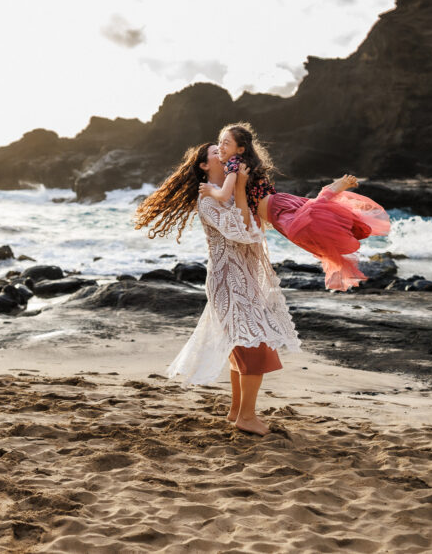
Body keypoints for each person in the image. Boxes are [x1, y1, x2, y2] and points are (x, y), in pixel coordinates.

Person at [134, 143, 300, 436]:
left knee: (242, 345)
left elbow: (258, 230)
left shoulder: (234, 193)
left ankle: (238, 412)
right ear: (203, 166)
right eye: (216, 154)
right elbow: (241, 233)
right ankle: (247, 417)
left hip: (246, 280)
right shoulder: (208, 200)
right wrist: (239, 189)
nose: (225, 156)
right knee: (253, 347)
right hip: (229, 282)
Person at [202, 123, 390, 291]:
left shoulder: (233, 165)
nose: (220, 147)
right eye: (220, 142)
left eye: (226, 143)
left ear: (240, 149)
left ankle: (330, 191)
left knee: (302, 227)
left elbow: (226, 194)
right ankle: (335, 208)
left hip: (277, 209)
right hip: (278, 206)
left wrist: (210, 190)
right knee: (311, 226)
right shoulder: (242, 164)